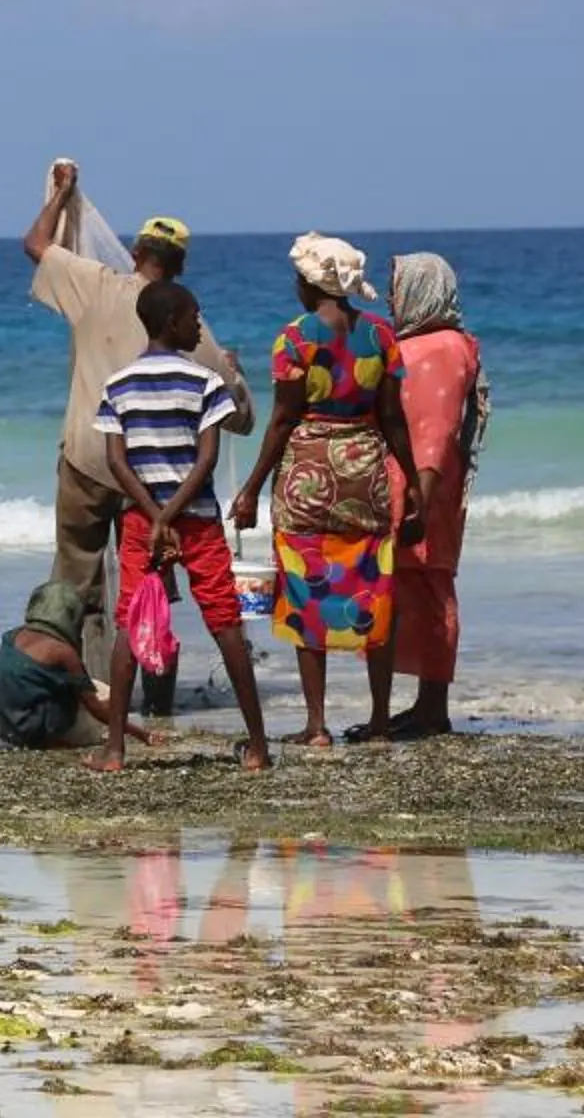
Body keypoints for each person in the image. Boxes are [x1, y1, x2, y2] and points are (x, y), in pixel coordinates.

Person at [21, 161, 252, 682]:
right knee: (152, 583)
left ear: (137, 253)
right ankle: (158, 697)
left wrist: (61, 195)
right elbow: (238, 415)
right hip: (151, 480)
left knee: (72, 583)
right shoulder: (195, 327)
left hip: (86, 457)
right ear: (180, 267)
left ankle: (68, 689)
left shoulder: (96, 285)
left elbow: (35, 243)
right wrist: (234, 373)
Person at [232, 234, 425, 749]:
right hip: (366, 475)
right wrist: (416, 485)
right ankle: (380, 723)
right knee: (374, 589)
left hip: (306, 478)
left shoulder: (294, 340)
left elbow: (281, 421)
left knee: (305, 590)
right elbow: (394, 421)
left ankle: (317, 725)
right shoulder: (382, 336)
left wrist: (250, 488)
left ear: (308, 283)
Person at [90, 280, 273, 773]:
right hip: (196, 522)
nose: (199, 324)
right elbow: (207, 458)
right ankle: (257, 745)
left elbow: (117, 462)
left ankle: (115, 750)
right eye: (195, 317)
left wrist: (153, 516)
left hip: (140, 523)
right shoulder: (205, 382)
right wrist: (171, 515)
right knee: (224, 622)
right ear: (172, 322)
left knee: (129, 623)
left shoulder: (118, 384)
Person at [383, 252, 486, 742]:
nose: (388, 294)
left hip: (427, 486)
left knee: (431, 585)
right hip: (418, 483)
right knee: (412, 587)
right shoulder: (424, 344)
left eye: (396, 284)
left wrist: (420, 497)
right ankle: (424, 704)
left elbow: (438, 430)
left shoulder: (441, 348)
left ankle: (432, 708)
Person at [0, 579, 154, 752]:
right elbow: (95, 707)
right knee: (69, 697)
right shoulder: (63, 653)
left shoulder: (14, 635)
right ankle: (46, 741)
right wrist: (138, 732)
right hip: (17, 730)